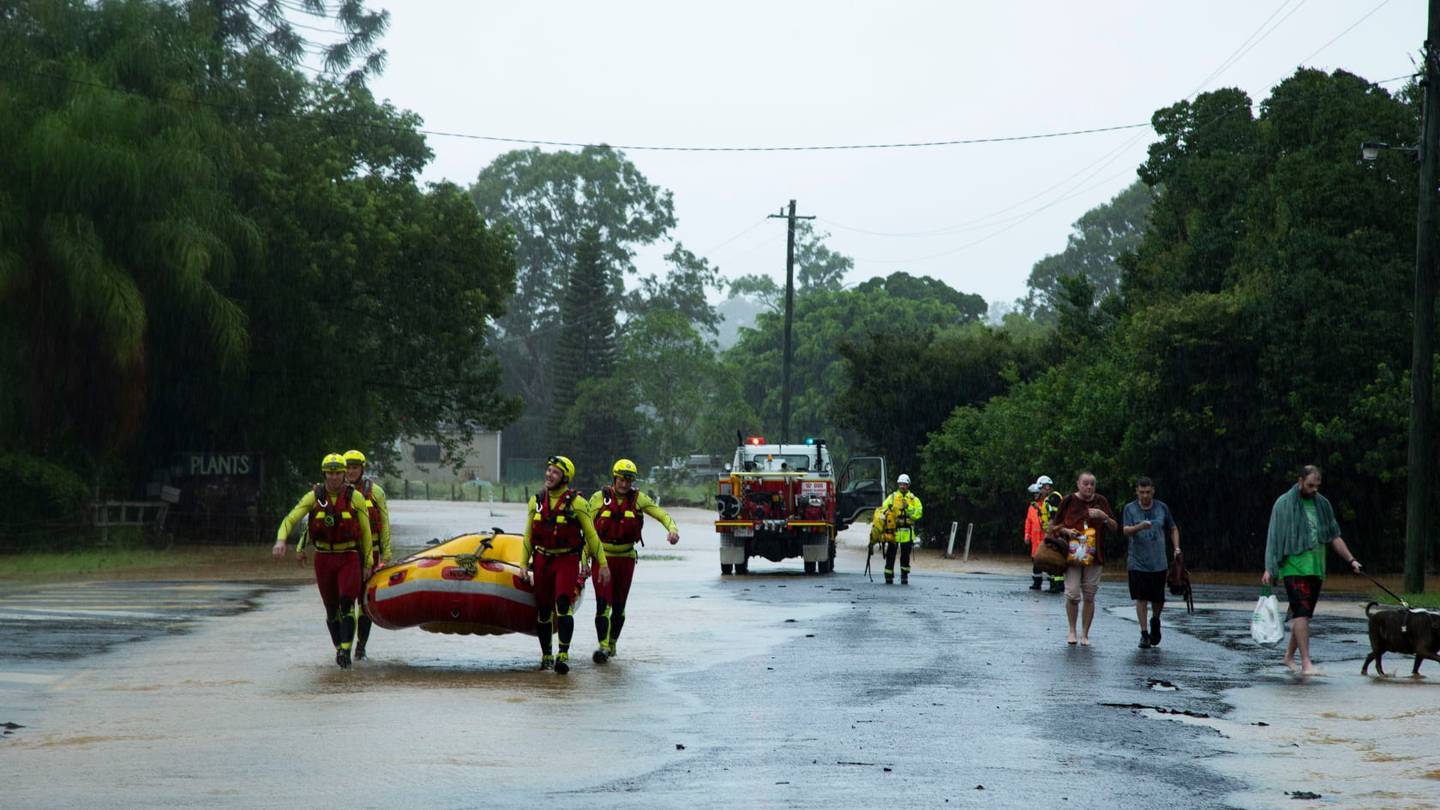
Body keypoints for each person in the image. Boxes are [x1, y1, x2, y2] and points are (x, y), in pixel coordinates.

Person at [273, 453, 373, 669]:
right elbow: (291, 519)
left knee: (347, 602)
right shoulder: (314, 497)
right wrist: (281, 540)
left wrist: (368, 563)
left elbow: (366, 532)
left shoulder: (354, 497)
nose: (334, 477)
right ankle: (338, 648)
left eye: (338, 473)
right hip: (324, 559)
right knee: (331, 609)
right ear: (324, 474)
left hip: (348, 557)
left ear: (344, 473)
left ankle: (346, 649)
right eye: (330, 473)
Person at [1262, 465, 1362, 675]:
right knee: (1301, 613)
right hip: (1293, 567)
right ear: (1300, 481)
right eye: (1310, 485)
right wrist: (1269, 568)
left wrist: (1351, 560)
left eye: (1317, 486)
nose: (1314, 489)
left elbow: (1334, 536)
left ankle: (1288, 657)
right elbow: (1274, 536)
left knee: (1304, 616)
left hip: (1316, 567)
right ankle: (1307, 663)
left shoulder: (1323, 505)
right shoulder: (1283, 504)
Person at [523, 455, 610, 674]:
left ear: (565, 478)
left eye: (555, 472)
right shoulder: (536, 501)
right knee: (543, 610)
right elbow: (527, 536)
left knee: (562, 605)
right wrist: (523, 564)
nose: (549, 475)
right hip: (542, 559)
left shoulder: (578, 504)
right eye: (548, 470)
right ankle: (546, 656)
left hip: (566, 560)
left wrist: (603, 564)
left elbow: (591, 536)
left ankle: (563, 654)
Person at [587, 458, 680, 663]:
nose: (625, 483)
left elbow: (661, 514)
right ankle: (602, 646)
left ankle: (612, 644)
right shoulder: (598, 498)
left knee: (619, 606)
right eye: (622, 479)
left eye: (629, 479)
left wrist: (672, 530)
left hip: (626, 559)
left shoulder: (639, 499)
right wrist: (583, 558)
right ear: (614, 478)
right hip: (603, 559)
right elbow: (587, 528)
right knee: (603, 604)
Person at [1048, 472, 1117, 646]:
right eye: (1085, 483)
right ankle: (1072, 630)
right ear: (1078, 484)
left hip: (1095, 556)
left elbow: (1116, 527)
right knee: (1072, 594)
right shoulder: (1069, 501)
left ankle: (1085, 634)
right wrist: (1067, 531)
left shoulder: (1101, 501)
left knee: (1090, 595)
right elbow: (1054, 527)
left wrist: (1104, 517)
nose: (1089, 487)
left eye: (1092, 484)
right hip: (1073, 555)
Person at [1122, 477, 1180, 649]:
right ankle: (1144, 633)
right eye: (1142, 492)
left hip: (1158, 561)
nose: (1145, 495)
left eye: (1148, 492)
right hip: (1137, 561)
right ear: (1137, 492)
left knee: (1158, 597)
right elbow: (1125, 530)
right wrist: (1139, 526)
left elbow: (1173, 528)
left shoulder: (1162, 508)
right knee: (1141, 597)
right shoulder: (1130, 509)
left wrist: (1177, 549)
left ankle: (1155, 619)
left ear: (1153, 491)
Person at [343, 449, 390, 661]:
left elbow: (385, 524)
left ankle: (360, 647)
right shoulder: (335, 492)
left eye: (355, 468)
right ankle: (344, 647)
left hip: (372, 553)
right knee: (344, 602)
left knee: (364, 603)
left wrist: (386, 554)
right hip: (346, 553)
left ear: (362, 469)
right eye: (348, 468)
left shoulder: (376, 492)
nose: (351, 472)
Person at [872, 473, 923, 584]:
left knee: (905, 556)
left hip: (907, 533)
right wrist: (886, 513)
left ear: (908, 485)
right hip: (893, 532)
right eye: (900, 484)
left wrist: (908, 508)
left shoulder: (914, 499)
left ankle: (904, 576)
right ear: (898, 484)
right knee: (890, 555)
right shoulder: (892, 497)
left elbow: (918, 514)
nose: (902, 486)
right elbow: (882, 509)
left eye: (904, 484)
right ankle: (888, 576)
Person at [1035, 475, 1065, 592]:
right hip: (1054, 532)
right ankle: (1055, 584)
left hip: (1056, 533)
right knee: (1052, 559)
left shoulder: (1054, 497)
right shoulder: (1049, 499)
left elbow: (1054, 517)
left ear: (1047, 487)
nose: (1040, 492)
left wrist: (1050, 533)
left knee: (1055, 558)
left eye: (1041, 489)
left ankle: (1058, 585)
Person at [1024, 483, 1046, 590]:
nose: (1035, 496)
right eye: (1034, 494)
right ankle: (1037, 583)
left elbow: (1046, 519)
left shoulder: (1045, 505)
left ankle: (1055, 584)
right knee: (1035, 562)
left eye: (1037, 493)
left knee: (1049, 560)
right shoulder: (1031, 507)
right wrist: (1027, 535)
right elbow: (1028, 522)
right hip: (1035, 539)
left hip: (1045, 539)